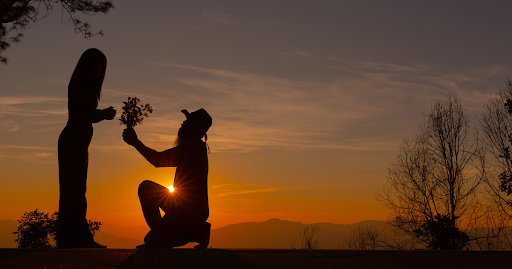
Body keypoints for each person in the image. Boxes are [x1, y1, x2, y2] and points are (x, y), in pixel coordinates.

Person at [122, 108, 212, 248]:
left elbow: (158, 160)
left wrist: (135, 142)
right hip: (187, 209)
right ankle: (197, 231)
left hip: (187, 211)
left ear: (194, 127)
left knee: (146, 188)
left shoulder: (193, 147)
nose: (182, 124)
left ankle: (180, 233)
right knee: (151, 239)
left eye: (187, 122)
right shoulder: (196, 147)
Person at [57, 48, 116, 248]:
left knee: (75, 190)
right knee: (72, 191)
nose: (100, 72)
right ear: (89, 65)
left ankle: (70, 237)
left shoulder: (85, 88)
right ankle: (75, 237)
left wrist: (101, 114)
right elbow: (83, 114)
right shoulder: (77, 87)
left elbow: (86, 114)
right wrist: (103, 114)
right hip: (72, 142)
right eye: (99, 67)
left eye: (103, 69)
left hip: (78, 143)